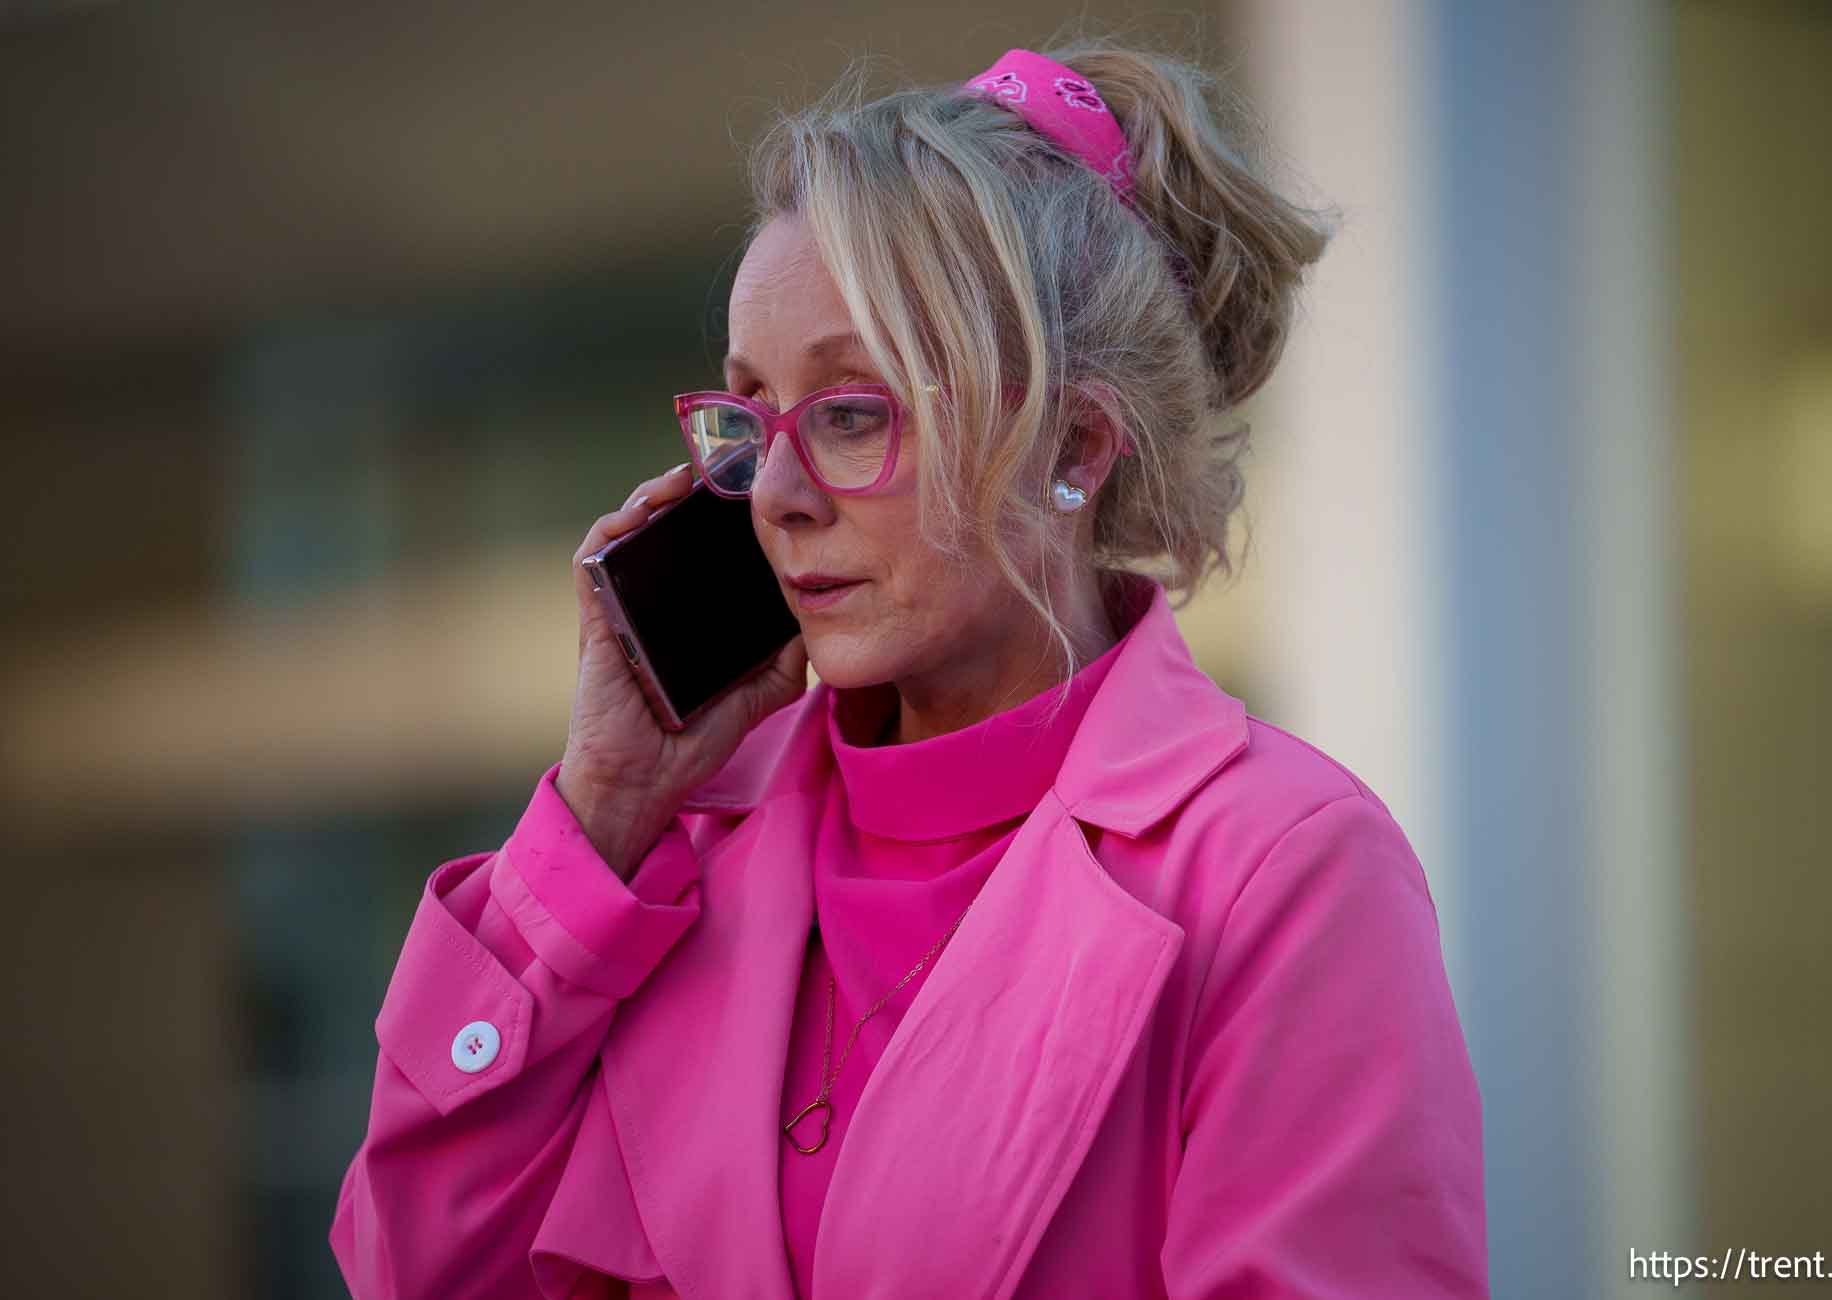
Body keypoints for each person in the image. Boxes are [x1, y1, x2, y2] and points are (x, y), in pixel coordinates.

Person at [330, 40, 1487, 1300]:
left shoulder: (1282, 866)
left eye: (851, 411)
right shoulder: (682, 842)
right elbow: (417, 1273)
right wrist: (603, 806)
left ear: (1077, 444)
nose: (771, 494)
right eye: (747, 417)